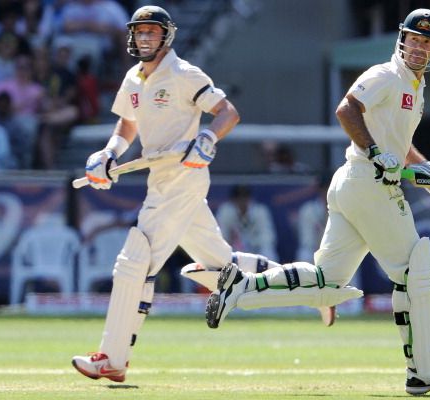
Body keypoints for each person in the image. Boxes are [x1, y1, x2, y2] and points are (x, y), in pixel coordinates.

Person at [205, 9, 430, 396]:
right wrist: (377, 153)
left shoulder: (415, 86)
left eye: (426, 42)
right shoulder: (386, 75)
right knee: (416, 270)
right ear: (402, 39)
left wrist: (425, 169)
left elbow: (398, 143)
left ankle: (240, 288)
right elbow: (347, 109)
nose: (418, 47)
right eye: (413, 39)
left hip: (356, 183)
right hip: (368, 182)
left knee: (328, 282)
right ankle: (424, 370)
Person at [71, 5, 332, 384]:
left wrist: (208, 137)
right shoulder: (134, 78)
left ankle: (112, 358)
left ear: (166, 36)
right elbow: (128, 125)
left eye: (151, 32)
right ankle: (312, 287)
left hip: (183, 177)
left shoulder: (182, 73)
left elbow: (227, 112)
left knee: (133, 261)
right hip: (160, 178)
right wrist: (109, 153)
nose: (144, 38)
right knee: (224, 267)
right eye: (139, 32)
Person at [216, 184, 279, 262]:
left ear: (250, 198)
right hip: (234, 250)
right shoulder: (225, 211)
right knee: (220, 252)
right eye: (238, 197)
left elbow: (268, 237)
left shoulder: (260, 211)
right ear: (233, 199)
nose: (242, 200)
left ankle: (268, 273)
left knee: (268, 251)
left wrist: (252, 243)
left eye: (245, 197)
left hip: (256, 249)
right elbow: (221, 237)